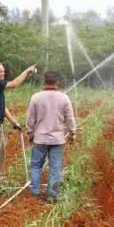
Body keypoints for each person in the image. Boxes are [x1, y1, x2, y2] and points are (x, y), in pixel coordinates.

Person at [0, 62, 37, 182]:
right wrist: (26, 71)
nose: (2, 74)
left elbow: (3, 108)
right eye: (0, 72)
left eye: (3, 71)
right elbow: (14, 84)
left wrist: (14, 122)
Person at [26, 72, 76, 201]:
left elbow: (30, 117)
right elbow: (69, 118)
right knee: (55, 167)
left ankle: (35, 192)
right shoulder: (64, 98)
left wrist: (30, 132)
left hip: (40, 138)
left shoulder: (36, 97)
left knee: (36, 165)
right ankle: (52, 195)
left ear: (44, 81)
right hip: (57, 139)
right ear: (57, 82)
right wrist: (72, 132)